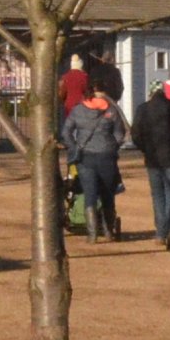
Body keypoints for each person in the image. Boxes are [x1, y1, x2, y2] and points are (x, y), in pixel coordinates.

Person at [60, 74, 126, 241]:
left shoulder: (78, 109)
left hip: (85, 157)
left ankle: (92, 234)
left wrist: (74, 146)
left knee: (89, 194)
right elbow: (120, 133)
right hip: (107, 156)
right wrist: (113, 145)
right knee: (107, 195)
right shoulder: (111, 109)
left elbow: (66, 132)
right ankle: (108, 230)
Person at [132, 73, 170, 249]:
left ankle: (161, 232)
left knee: (158, 195)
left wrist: (145, 148)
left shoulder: (143, 109)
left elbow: (135, 134)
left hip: (153, 158)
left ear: (151, 93)